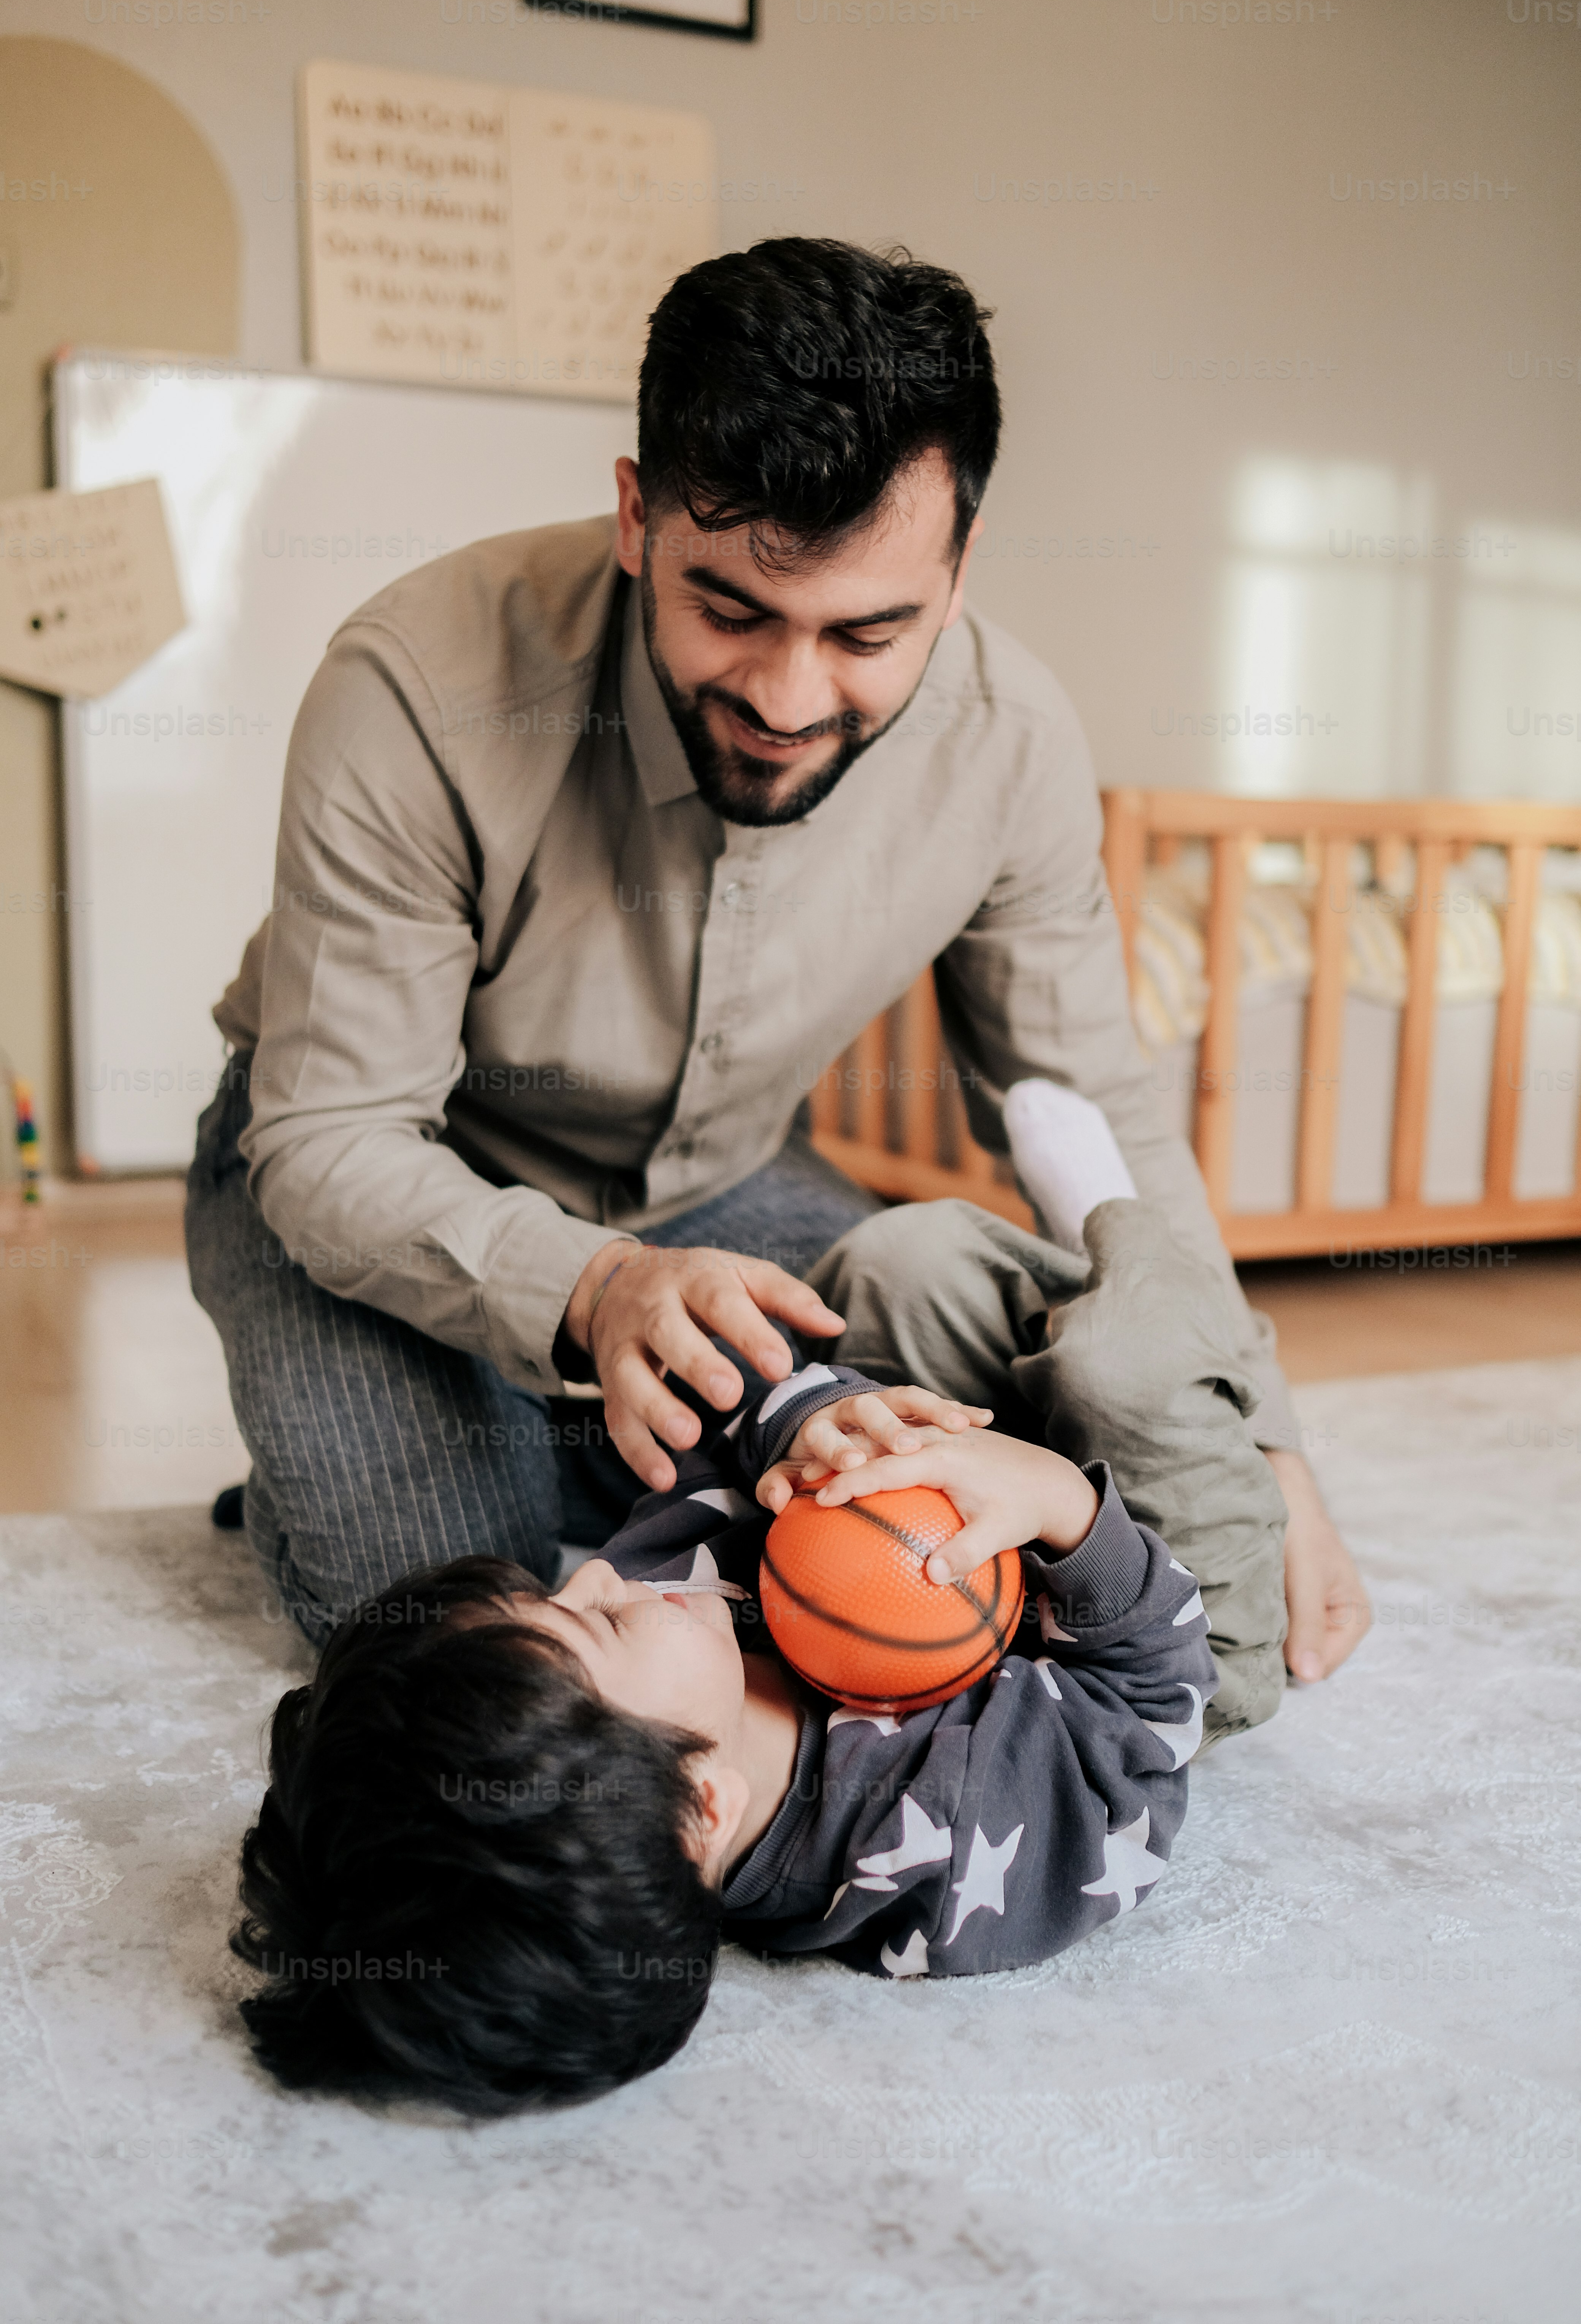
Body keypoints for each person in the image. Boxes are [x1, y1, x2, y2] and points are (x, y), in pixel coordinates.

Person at [187, 234, 1366, 1687]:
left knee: (944, 1453)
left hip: (716, 1184)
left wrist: (1260, 1435)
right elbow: (331, 1138)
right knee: (470, 1620)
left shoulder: (1014, 739)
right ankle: (436, 1441)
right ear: (637, 519)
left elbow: (1093, 1111)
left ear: (958, 567)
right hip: (370, 1170)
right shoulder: (417, 685)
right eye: (732, 610)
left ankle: (555, 1430)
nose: (790, 698)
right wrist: (597, 1289)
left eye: (870, 630)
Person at [232, 1148, 1268, 2115]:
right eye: (596, 1626)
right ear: (702, 1804)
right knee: (1119, 1366)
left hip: (950, 1492)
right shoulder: (941, 1861)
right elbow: (1145, 1713)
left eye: (557, 1595)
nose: (592, 1575)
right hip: (1160, 1618)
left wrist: (805, 1428)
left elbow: (730, 1430)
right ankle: (1126, 1214)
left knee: (896, 1265)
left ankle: (1052, 1301)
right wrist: (1059, 1508)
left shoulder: (662, 1599)